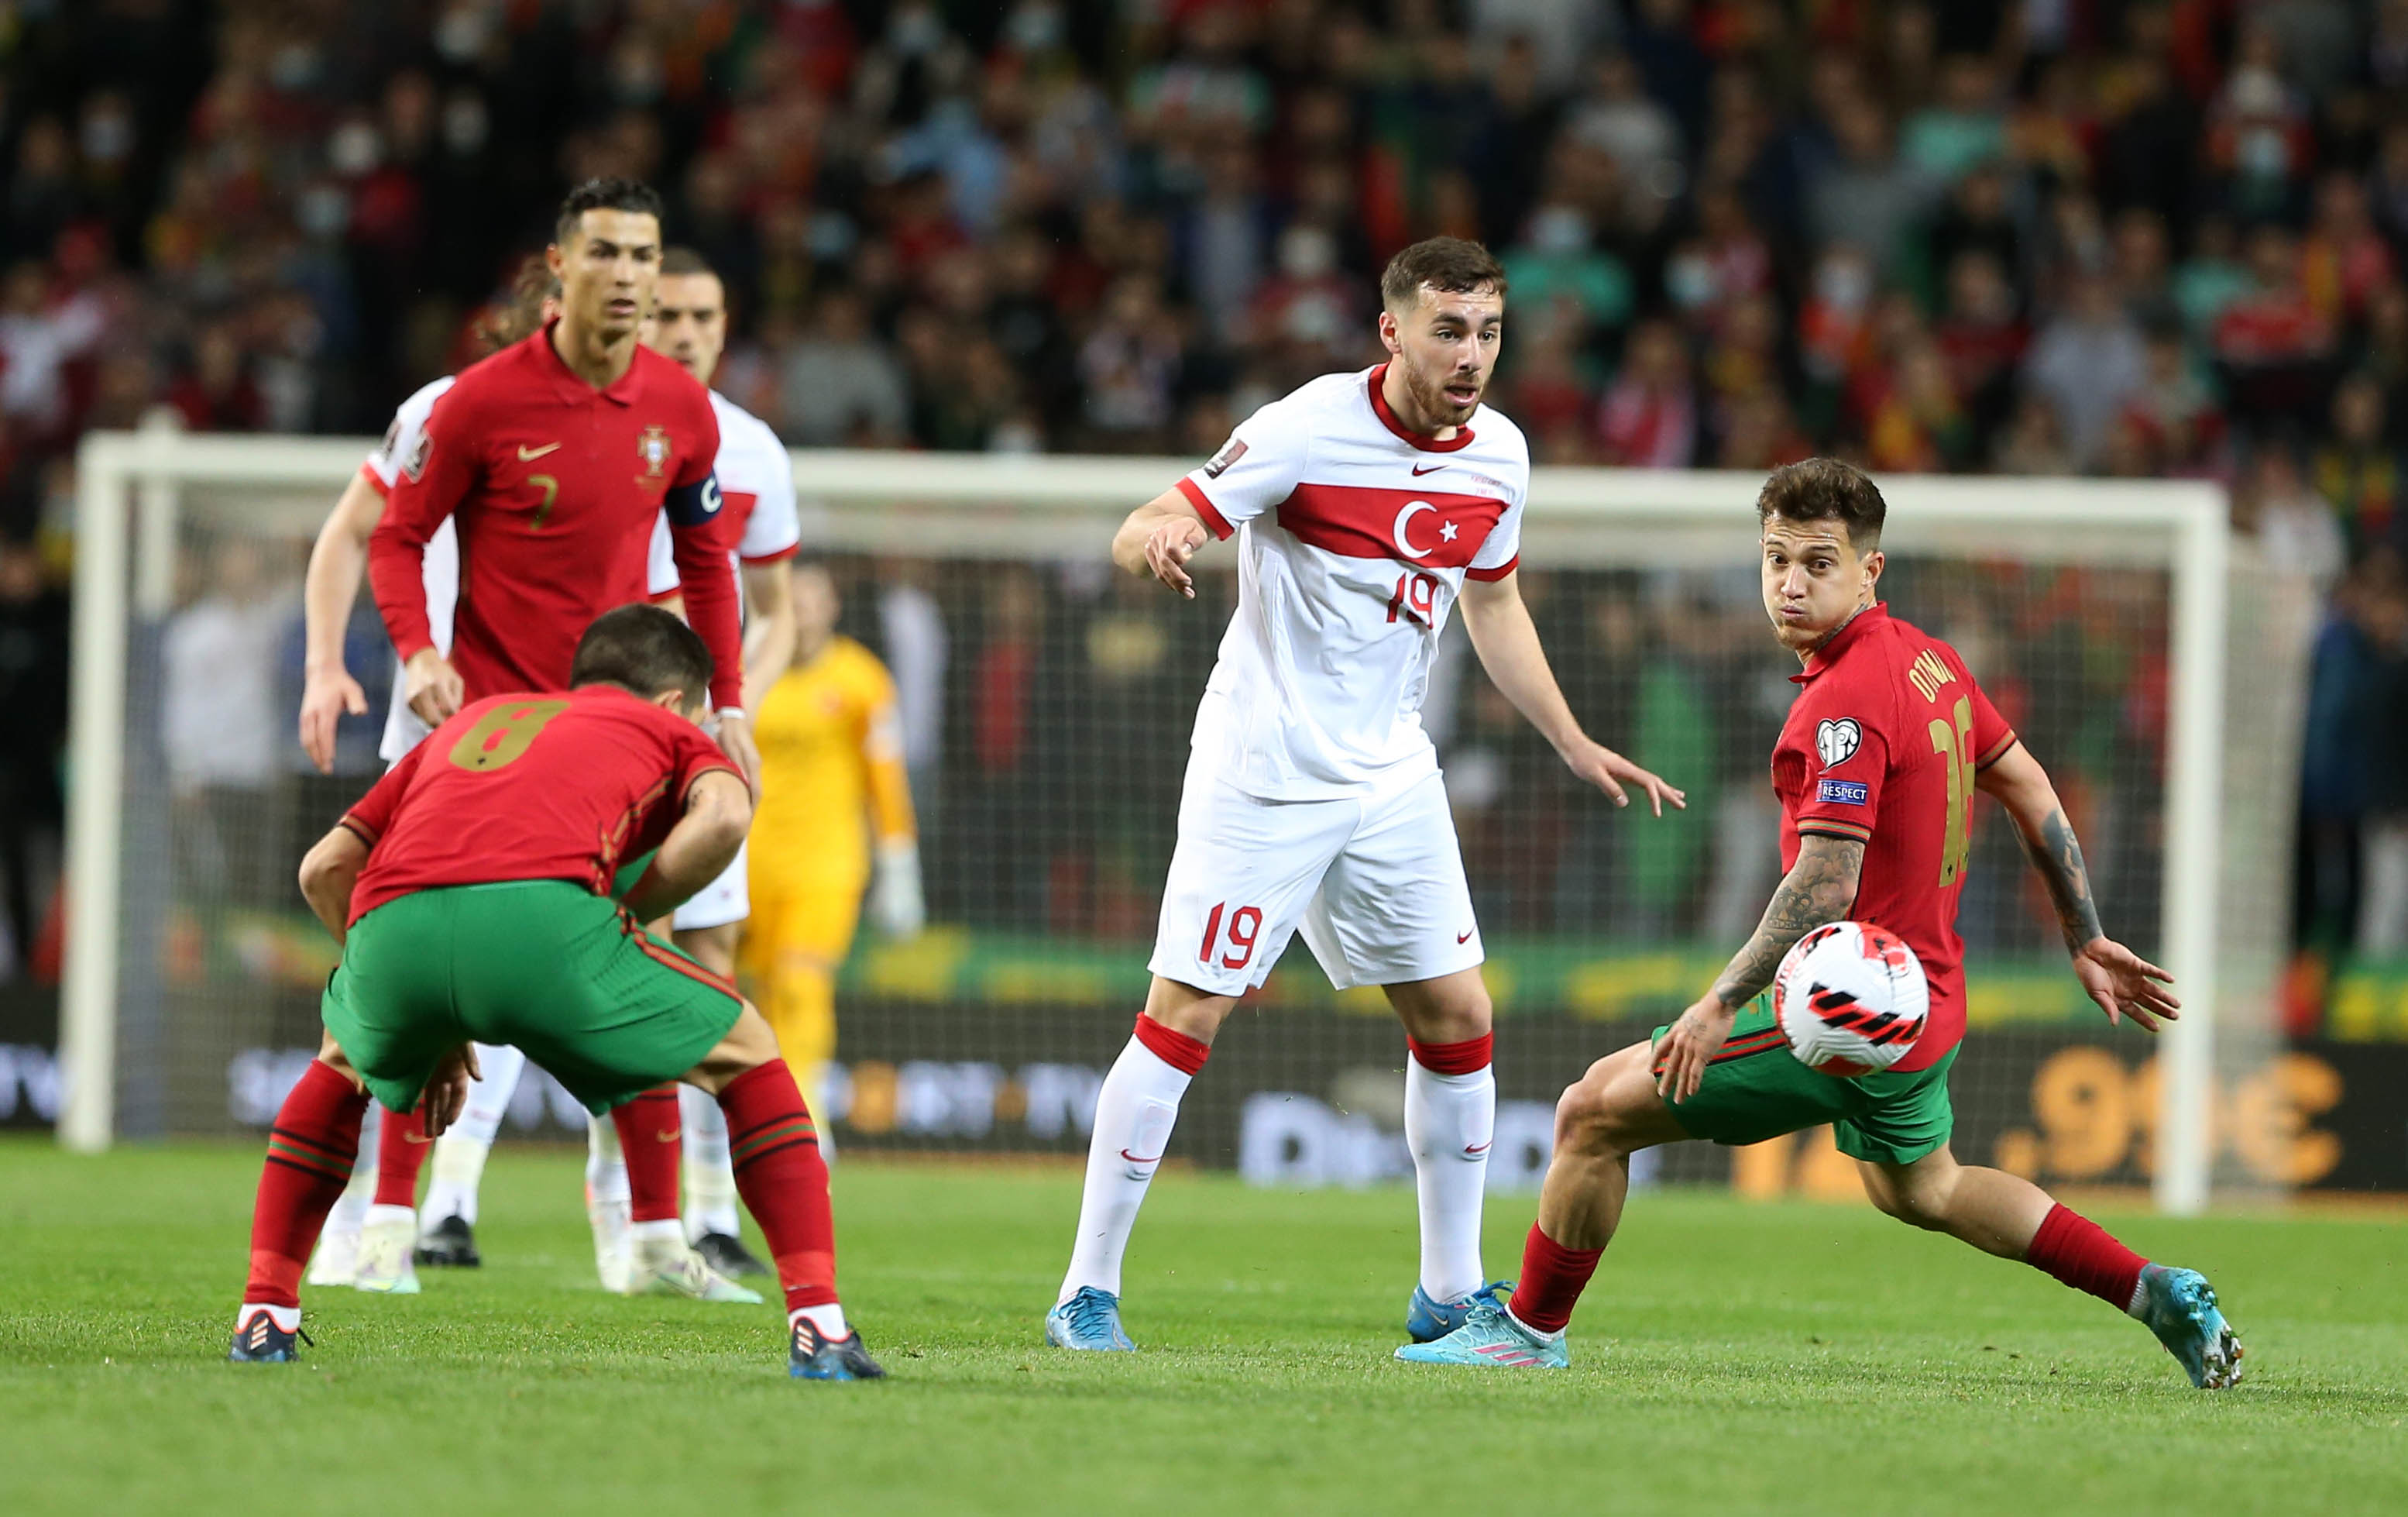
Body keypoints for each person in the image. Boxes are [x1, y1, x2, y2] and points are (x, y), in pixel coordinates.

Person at [1398, 459, 2242, 1391]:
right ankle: (2150, 1287)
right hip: (1926, 999)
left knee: (1591, 1112)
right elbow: (2028, 785)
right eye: (1775, 560)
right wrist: (2081, 932)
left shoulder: (1841, 701)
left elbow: (1825, 883)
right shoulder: (1932, 659)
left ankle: (1529, 1327)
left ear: (1869, 570)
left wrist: (1720, 1001)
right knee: (1926, 1186)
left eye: (1818, 562)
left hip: (1848, 1004)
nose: (1790, 584)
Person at [1046, 237, 1682, 1353]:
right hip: (1268, 766)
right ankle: (1084, 1291)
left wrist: (1572, 737)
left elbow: (1493, 606)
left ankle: (1449, 1290)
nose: (1472, 354)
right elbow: (1164, 510)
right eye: (1449, 329)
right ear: (1391, 331)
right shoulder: (1303, 426)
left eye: (1488, 331)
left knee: (1458, 1014)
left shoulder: (1501, 457)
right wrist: (1156, 535)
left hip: (1390, 773)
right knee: (1184, 1014)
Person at [227, 607, 881, 1381]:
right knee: (749, 1049)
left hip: (391, 919)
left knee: (341, 1063)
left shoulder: (476, 721)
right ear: (676, 702)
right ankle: (819, 1325)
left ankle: (264, 1310)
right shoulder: (669, 730)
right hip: (548, 924)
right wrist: (629, 912)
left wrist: (412, 1007)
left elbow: (322, 869)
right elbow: (729, 813)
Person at [354, 177, 756, 1299]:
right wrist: (417, 650)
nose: (630, 276)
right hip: (489, 730)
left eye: (645, 254)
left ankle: (652, 1243)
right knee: (424, 980)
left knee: (636, 965)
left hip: (621, 738)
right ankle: (386, 1226)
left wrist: (724, 702)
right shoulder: (478, 402)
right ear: (559, 265)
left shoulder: (682, 408)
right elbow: (396, 537)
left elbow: (711, 560)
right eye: (609, 254)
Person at [579, 245, 805, 1283]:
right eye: (667, 312)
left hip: (710, 738)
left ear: (726, 325)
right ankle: (628, 1209)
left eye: (703, 315)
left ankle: (712, 1209)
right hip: (624, 739)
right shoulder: (612, 426)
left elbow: (778, 607)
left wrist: (729, 707)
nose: (683, 331)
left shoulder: (754, 449)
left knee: (711, 960)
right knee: (632, 955)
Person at [738, 559, 922, 1146]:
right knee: (754, 991)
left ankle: (807, 1119)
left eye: (813, 599)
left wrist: (899, 867)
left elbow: (885, 780)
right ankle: (752, 1121)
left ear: (833, 607)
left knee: (801, 980)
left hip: (827, 862)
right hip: (749, 859)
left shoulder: (862, 680)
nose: (803, 610)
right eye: (793, 599)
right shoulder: (747, 677)